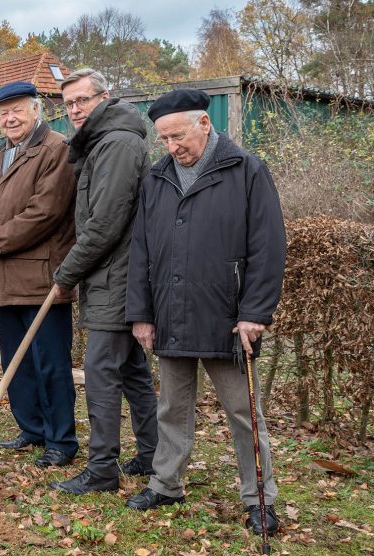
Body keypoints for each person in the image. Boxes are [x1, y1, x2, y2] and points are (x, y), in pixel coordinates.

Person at [125, 88, 286, 537]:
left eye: (178, 136)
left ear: (204, 124)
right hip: (170, 313)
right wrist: (141, 313)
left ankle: (259, 499)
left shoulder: (247, 169)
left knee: (242, 411)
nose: (173, 147)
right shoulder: (157, 178)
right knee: (172, 407)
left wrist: (255, 312)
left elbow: (268, 248)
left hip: (229, 319)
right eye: (164, 140)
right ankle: (165, 484)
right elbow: (141, 251)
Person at [47, 69, 159, 494]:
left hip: (118, 275)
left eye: (82, 100)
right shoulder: (105, 140)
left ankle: (101, 470)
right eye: (68, 103)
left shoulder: (116, 144)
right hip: (113, 274)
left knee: (99, 371)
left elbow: (105, 223)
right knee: (131, 370)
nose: (74, 109)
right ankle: (152, 453)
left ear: (105, 98)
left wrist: (67, 274)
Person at [0, 81, 79, 468]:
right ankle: (32, 428)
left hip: (41, 277)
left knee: (50, 362)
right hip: (4, 276)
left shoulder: (56, 149)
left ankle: (61, 440)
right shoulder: (0, 155)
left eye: (17, 111)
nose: (9, 119)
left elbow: (46, 212)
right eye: (2, 113)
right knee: (17, 360)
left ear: (36, 111)